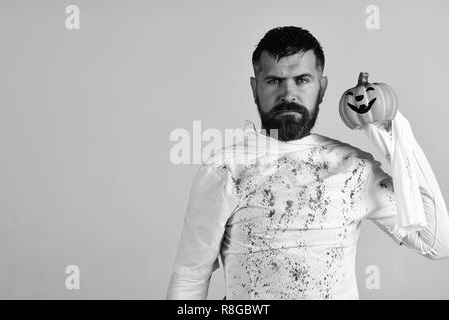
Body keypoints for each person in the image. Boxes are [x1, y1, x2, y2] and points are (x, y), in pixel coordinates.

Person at [166, 26, 449, 300]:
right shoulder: (224, 169)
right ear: (255, 88)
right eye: (273, 81)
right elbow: (191, 276)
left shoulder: (353, 168)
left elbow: (437, 243)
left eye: (302, 80)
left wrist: (394, 136)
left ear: (322, 87)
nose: (288, 93)